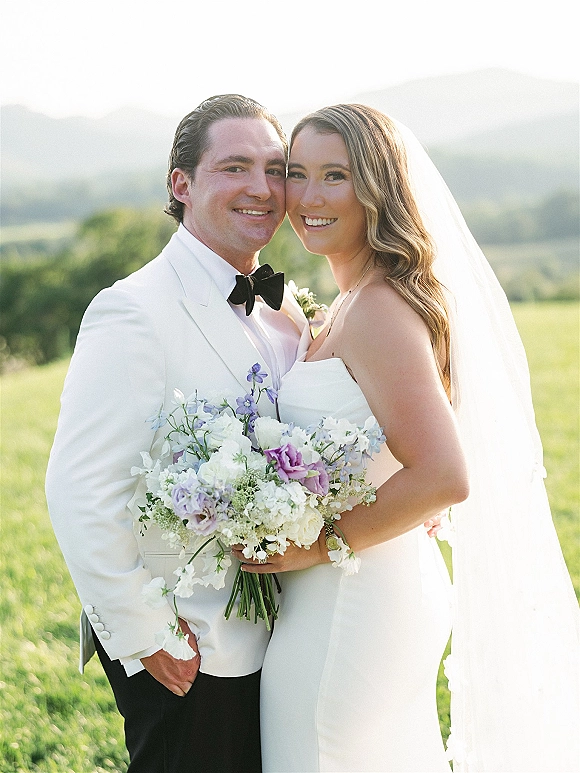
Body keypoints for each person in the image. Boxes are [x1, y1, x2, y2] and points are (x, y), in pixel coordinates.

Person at [236, 104, 580, 772]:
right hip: (364, 589)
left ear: (377, 187)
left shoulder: (381, 309)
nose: (308, 197)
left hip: (352, 600)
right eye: (296, 173)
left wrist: (317, 543)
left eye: (335, 175)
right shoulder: (351, 300)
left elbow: (445, 474)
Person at [45, 94, 313, 773]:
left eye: (276, 168)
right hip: (190, 643)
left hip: (282, 637)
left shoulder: (288, 315)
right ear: (182, 183)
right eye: (234, 166)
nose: (261, 188)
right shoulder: (133, 310)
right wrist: (145, 633)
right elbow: (80, 487)